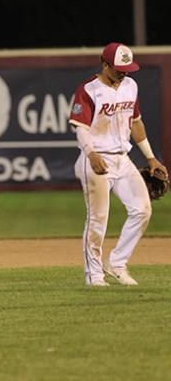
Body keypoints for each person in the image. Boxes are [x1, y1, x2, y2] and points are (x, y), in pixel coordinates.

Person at [69, 42, 167, 287]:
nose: (124, 72)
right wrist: (91, 154)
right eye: (118, 68)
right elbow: (80, 128)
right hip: (95, 158)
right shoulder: (89, 90)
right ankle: (95, 276)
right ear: (104, 64)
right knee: (98, 220)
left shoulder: (130, 86)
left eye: (127, 68)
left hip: (122, 158)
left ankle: (117, 263)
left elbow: (136, 122)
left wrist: (151, 157)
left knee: (142, 209)